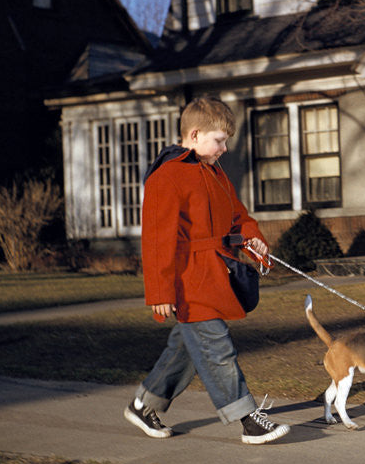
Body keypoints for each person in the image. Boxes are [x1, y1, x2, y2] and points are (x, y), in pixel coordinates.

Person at [123, 96, 290, 445]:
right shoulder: (166, 177)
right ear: (195, 134)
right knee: (216, 347)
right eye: (219, 140)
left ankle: (144, 404)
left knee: (188, 346)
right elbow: (157, 241)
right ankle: (248, 419)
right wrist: (160, 292)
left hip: (215, 274)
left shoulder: (214, 173)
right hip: (187, 280)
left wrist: (253, 240)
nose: (224, 148)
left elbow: (238, 217)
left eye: (226, 141)